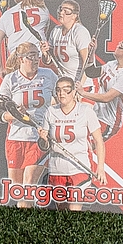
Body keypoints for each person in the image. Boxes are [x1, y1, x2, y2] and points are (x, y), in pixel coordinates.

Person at [0, 44, 56, 206]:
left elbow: (62, 98)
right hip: (15, 138)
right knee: (18, 192)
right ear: (21, 59)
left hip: (39, 138)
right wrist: (15, 114)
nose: (36, 59)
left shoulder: (48, 75)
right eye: (31, 56)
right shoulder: (10, 79)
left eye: (37, 55)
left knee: (29, 185)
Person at [39, 77, 107, 210]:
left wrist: (100, 168)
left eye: (66, 90)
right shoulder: (51, 112)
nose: (61, 94)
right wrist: (43, 139)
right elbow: (44, 145)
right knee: (62, 211)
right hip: (57, 170)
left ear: (74, 92)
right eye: (58, 90)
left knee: (74, 209)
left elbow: (99, 141)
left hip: (79, 169)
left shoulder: (85, 111)